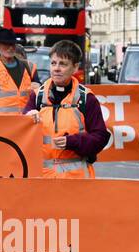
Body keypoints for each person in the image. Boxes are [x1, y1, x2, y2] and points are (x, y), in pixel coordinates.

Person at [26, 39, 108, 178]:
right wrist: (28, 116)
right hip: (41, 180)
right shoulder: (37, 96)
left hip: (76, 182)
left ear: (75, 67)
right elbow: (22, 133)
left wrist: (73, 142)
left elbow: (100, 138)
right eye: (53, 63)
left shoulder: (87, 99)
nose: (56, 68)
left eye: (63, 64)